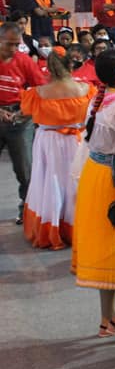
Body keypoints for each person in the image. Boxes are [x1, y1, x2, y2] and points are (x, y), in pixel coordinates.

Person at [73, 49, 115, 338]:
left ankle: (106, 320)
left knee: (107, 251)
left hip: (94, 174)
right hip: (113, 178)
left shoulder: (98, 99)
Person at [21, 50, 94, 249]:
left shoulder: (38, 93)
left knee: (49, 183)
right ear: (71, 65)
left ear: (49, 68)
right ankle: (78, 226)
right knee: (75, 183)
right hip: (77, 142)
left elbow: (25, 112)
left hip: (48, 143)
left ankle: (51, 227)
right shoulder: (86, 90)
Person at [0, 22, 46, 226]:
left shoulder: (24, 61)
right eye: (8, 44)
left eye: (16, 44)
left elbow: (41, 89)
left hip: (19, 119)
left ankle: (26, 210)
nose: (12, 49)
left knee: (25, 170)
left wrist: (24, 112)